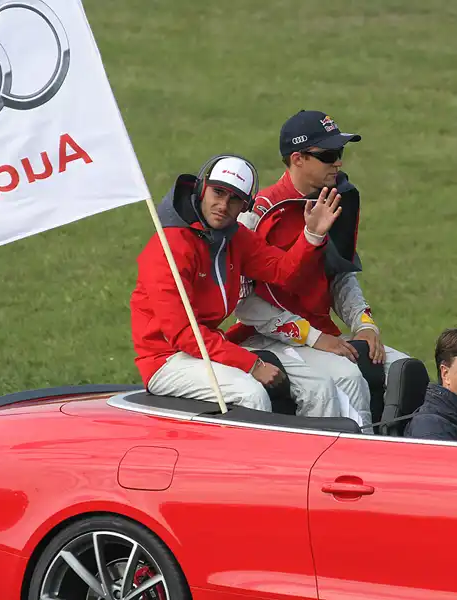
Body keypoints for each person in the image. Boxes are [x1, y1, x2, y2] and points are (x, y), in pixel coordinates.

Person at [226, 110, 408, 425]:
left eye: (340, 153)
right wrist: (312, 337)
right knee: (347, 378)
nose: (338, 163)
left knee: (405, 371)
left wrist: (364, 324)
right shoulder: (258, 214)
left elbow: (339, 274)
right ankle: (353, 454)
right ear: (298, 159)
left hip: (323, 332)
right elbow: (243, 303)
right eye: (328, 155)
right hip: (266, 336)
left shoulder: (337, 199)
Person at [130, 154, 347, 414]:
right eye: (218, 192)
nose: (223, 205)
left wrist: (312, 235)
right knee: (251, 394)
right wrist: (252, 365)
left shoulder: (234, 237)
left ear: (245, 207)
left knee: (319, 387)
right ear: (202, 189)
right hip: (166, 360)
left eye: (234, 199)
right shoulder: (170, 246)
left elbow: (284, 272)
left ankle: (319, 442)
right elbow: (183, 333)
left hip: (210, 349)